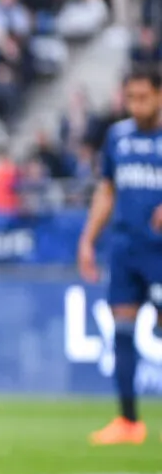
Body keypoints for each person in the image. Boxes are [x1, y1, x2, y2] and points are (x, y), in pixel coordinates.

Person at [78, 68, 162, 445]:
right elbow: (106, 191)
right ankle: (129, 422)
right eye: (130, 98)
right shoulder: (118, 137)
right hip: (126, 249)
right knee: (123, 332)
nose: (136, 105)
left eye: (143, 97)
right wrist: (87, 240)